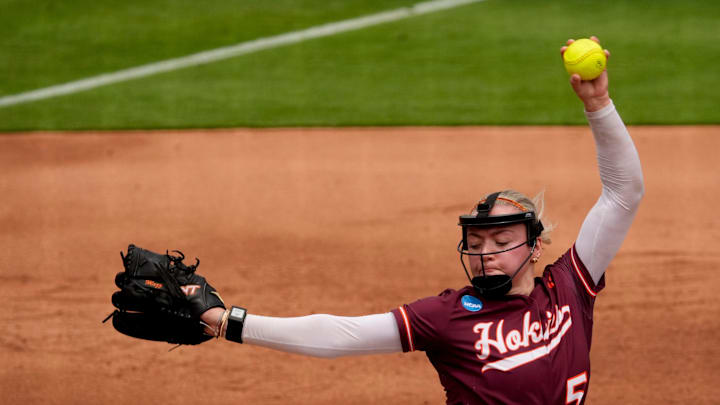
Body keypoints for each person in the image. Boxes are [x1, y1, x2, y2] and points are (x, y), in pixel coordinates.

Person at [200, 36, 644, 404]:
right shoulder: (449, 315)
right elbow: (341, 335)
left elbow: (623, 194)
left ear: (535, 246)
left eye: (501, 240)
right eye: (476, 243)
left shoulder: (567, 288)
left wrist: (599, 103)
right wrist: (230, 322)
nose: (485, 254)